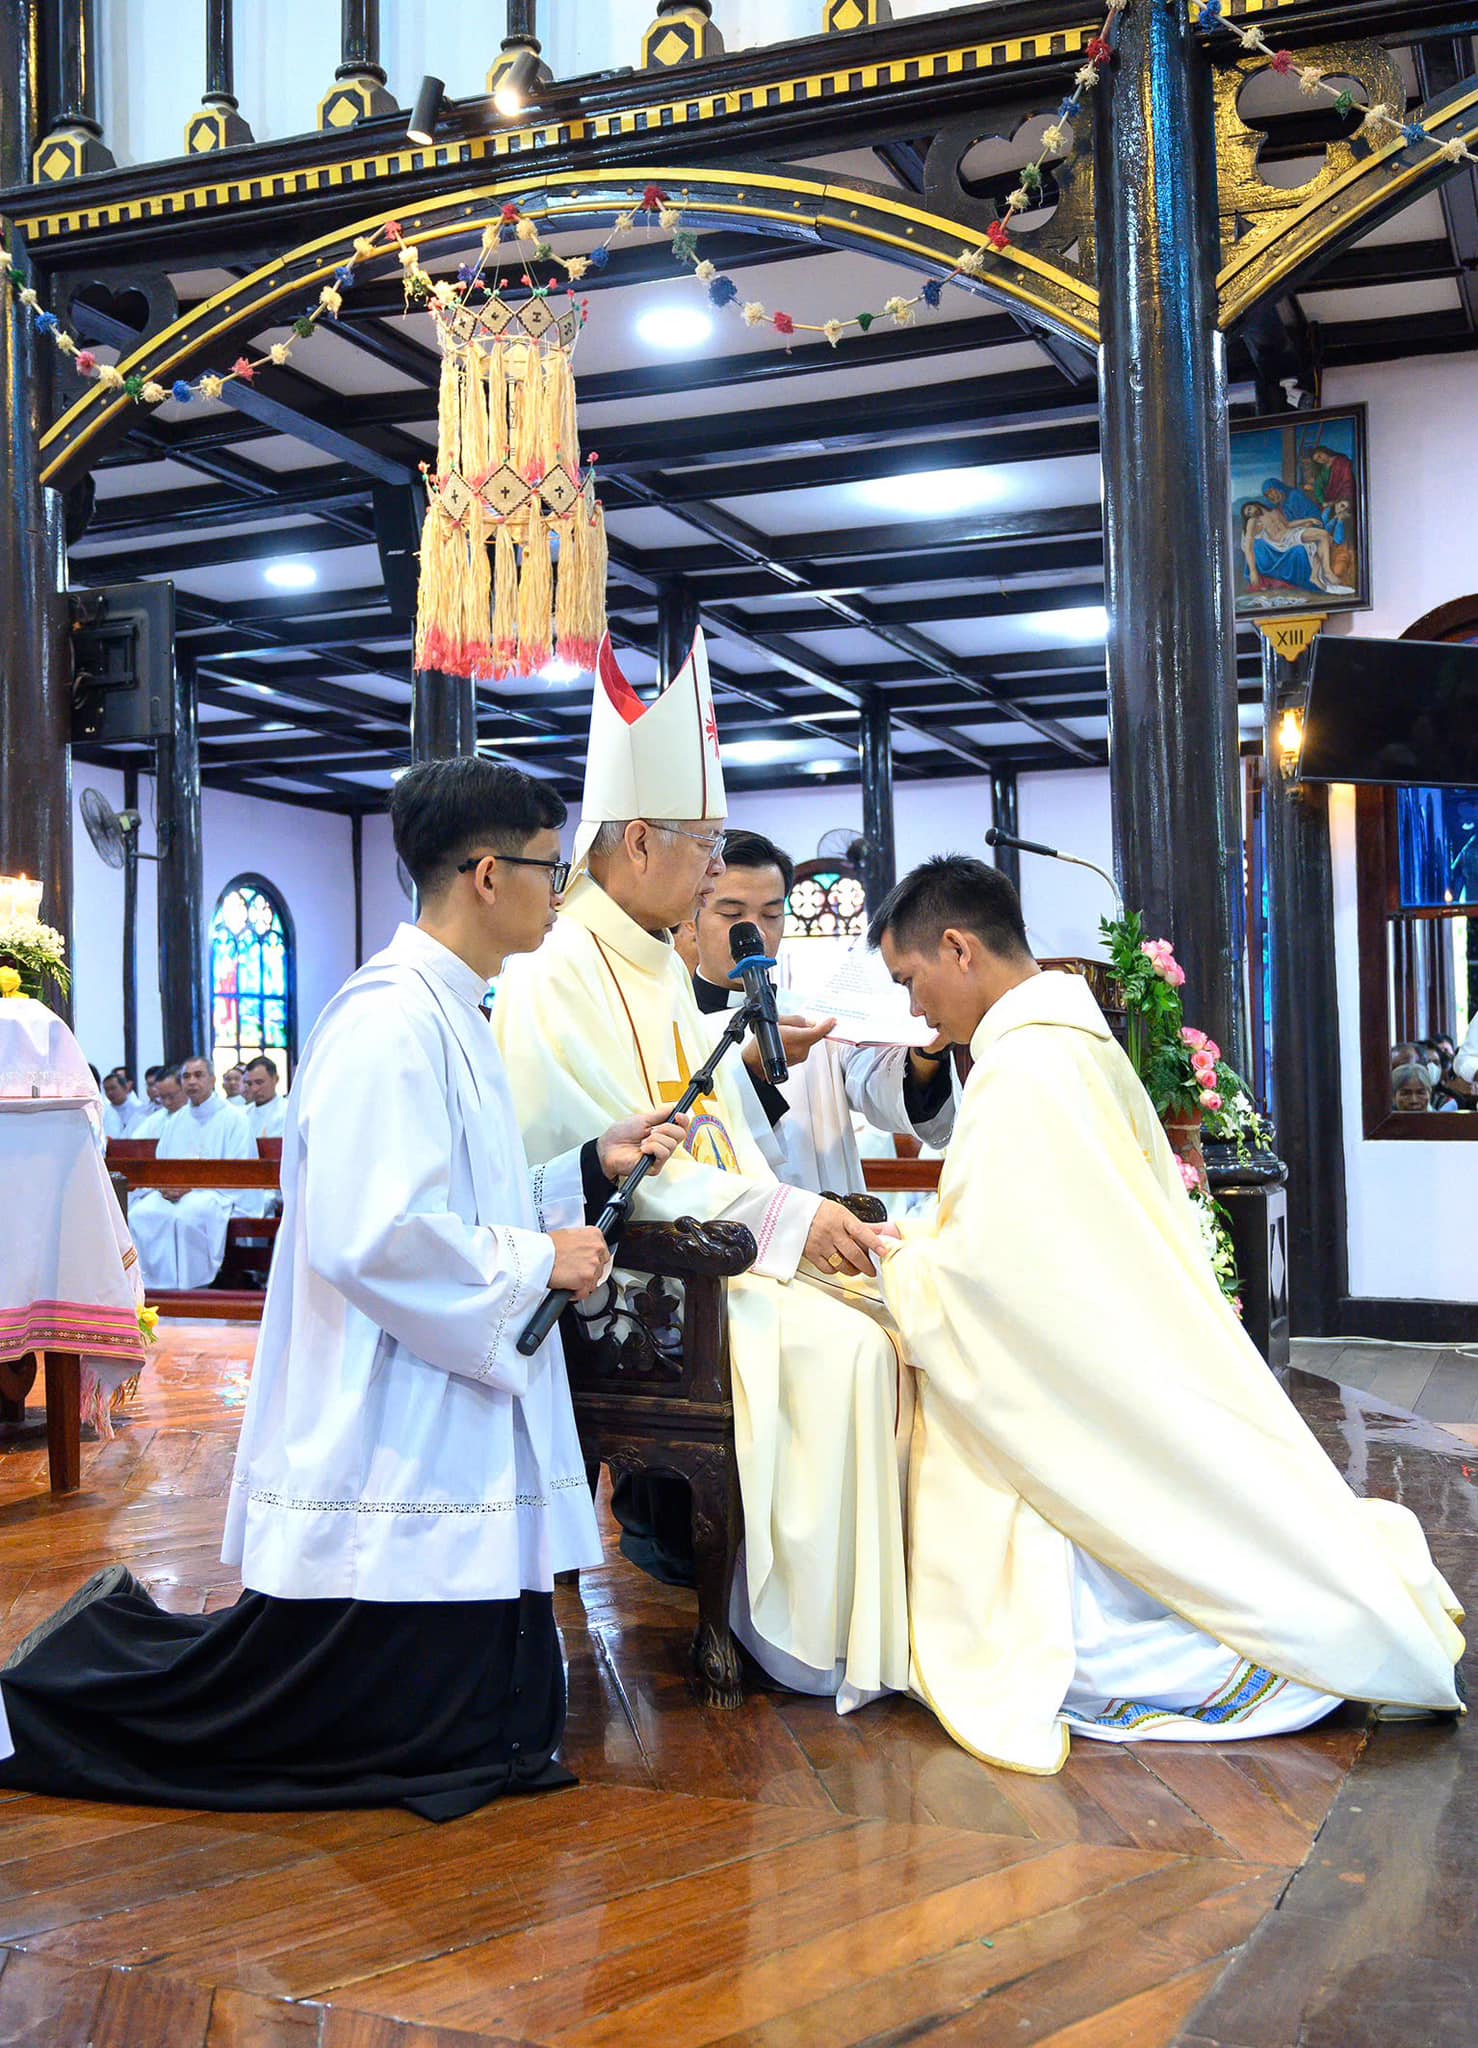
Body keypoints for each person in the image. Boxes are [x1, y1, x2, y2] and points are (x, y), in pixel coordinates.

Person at [0, 758, 688, 1819]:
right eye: (552, 871)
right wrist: (535, 1262)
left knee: (411, 1716)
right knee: (287, 1719)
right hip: (389, 1428)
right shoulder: (387, 1021)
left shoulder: (451, 1008)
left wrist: (588, 1169)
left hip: (434, 1404)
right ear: (488, 874)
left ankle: (94, 1663)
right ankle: (48, 1701)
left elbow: (463, 1200)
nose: (561, 895)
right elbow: (373, 1237)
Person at [868, 856, 1464, 1773]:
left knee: (1123, 1586)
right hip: (1126, 1331)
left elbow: (993, 1279)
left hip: (1090, 1367)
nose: (915, 1010)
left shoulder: (1023, 1068)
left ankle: (1308, 1638)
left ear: (958, 948)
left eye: (910, 980)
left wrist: (903, 1263)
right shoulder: (1070, 1042)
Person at [495, 629, 911, 1711]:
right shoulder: (554, 972)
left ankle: (882, 1613)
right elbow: (600, 1170)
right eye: (706, 844)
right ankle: (799, 1626)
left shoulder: (656, 963)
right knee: (847, 1351)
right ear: (639, 841)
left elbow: (722, 1136)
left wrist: (798, 1214)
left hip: (719, 1245)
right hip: (642, 1275)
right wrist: (789, 1221)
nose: (715, 867)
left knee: (893, 1321)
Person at [689, 829, 955, 1195]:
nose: (756, 934)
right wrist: (751, 1072)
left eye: (771, 914)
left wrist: (927, 1052)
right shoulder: (668, 1026)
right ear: (691, 919)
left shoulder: (812, 1017)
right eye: (732, 914)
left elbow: (882, 1090)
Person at [127, 1054, 258, 1289]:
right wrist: (165, 1185)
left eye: (198, 1075)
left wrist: (192, 1186)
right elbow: (162, 1162)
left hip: (215, 1192)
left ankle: (190, 1287)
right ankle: (154, 1288)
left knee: (187, 1216)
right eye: (186, 1076)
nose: (192, 1081)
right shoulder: (176, 1120)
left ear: (212, 1079)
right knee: (141, 1214)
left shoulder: (235, 1119)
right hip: (174, 1192)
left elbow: (240, 1170)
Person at [133, 1065, 185, 1139]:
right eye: (162, 1097)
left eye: (171, 1097)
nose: (167, 1103)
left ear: (185, 1089)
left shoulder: (197, 1115)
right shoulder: (154, 1121)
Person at [242, 1055, 287, 1141]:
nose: (254, 1089)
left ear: (275, 1079)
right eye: (249, 1084)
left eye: (259, 1082)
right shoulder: (243, 1114)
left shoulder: (287, 1112)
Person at [101, 1067, 148, 1138]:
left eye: (113, 1088)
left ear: (125, 1088)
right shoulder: (105, 1110)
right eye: (106, 1089)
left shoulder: (139, 1110)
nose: (110, 1093)